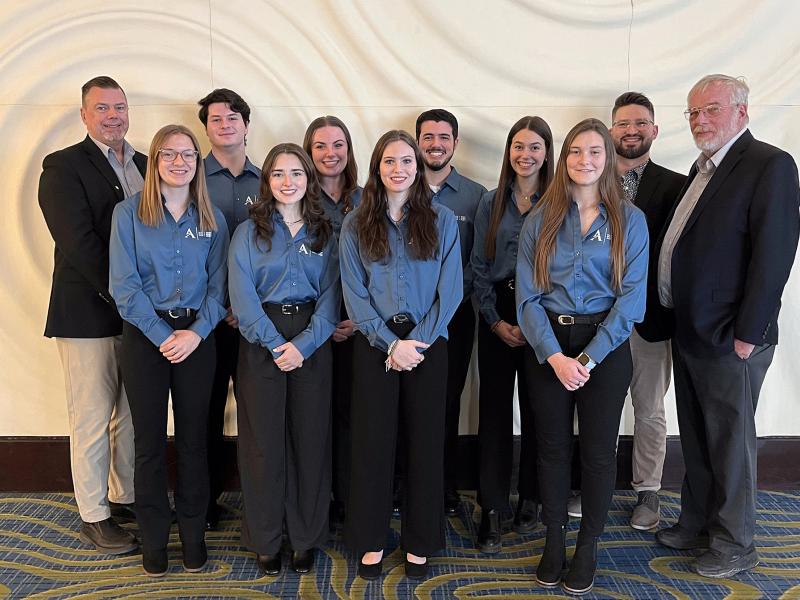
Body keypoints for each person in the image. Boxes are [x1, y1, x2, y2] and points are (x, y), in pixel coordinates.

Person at [655, 74, 800, 578]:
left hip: (731, 336)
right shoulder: (703, 169)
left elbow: (774, 254)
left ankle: (736, 544)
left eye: (711, 110)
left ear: (742, 111)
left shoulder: (769, 165)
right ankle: (697, 524)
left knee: (730, 443)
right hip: (691, 328)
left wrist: (750, 332)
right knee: (697, 436)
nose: (700, 121)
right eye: (693, 113)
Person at [516, 118, 648, 594]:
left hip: (605, 350)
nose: (584, 160)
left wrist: (587, 360)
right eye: (575, 151)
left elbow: (632, 300)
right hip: (549, 348)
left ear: (608, 159)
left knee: (597, 453)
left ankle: (588, 544)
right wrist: (554, 357)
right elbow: (527, 299)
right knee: (550, 450)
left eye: (595, 151)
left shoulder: (630, 221)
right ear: (564, 158)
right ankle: (554, 538)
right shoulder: (541, 219)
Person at [340, 130, 462, 580]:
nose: (399, 169)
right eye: (389, 161)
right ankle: (370, 538)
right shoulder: (356, 223)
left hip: (429, 345)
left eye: (406, 161)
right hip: (375, 346)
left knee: (424, 445)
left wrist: (415, 346)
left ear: (417, 167)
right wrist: (390, 345)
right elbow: (354, 293)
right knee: (372, 446)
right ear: (377, 168)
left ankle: (420, 541)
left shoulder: (443, 220)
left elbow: (450, 293)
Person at [109, 124, 229, 576]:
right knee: (150, 444)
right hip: (145, 337)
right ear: (154, 160)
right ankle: (155, 540)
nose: (179, 162)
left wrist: (195, 333)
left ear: (198, 163)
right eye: (169, 154)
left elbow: (220, 289)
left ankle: (194, 537)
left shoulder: (212, 217)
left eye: (188, 155)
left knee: (196, 443)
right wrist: (163, 336)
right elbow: (124, 287)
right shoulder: (128, 215)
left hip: (198, 338)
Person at [568, 93, 685, 529]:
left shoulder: (678, 185)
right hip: (595, 321)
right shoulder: (590, 179)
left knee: (649, 407)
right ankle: (591, 483)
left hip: (650, 318)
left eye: (641, 123)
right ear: (611, 130)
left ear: (654, 130)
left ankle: (648, 492)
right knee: (595, 405)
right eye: (623, 124)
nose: (631, 131)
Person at [38, 75, 143, 555]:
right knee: (92, 414)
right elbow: (78, 243)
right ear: (84, 114)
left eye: (119, 106)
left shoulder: (146, 164)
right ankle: (94, 515)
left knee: (129, 413)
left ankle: (122, 498)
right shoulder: (62, 167)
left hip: (139, 316)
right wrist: (126, 295)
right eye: (102, 108)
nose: (113, 115)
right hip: (87, 313)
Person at [229, 143, 339, 577]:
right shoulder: (247, 232)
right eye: (278, 174)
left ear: (309, 180)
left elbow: (334, 295)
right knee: (262, 443)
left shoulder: (325, 231)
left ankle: (306, 537)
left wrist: (305, 345)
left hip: (312, 340)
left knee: (310, 441)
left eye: (297, 173)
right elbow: (241, 295)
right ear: (267, 181)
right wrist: (275, 344)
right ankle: (266, 537)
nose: (288, 182)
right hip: (262, 341)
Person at [471, 116, 553, 553]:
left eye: (534, 147)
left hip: (542, 312)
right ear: (508, 152)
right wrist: (494, 320)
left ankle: (532, 498)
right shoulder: (491, 200)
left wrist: (534, 320)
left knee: (540, 410)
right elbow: (479, 268)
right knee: (496, 414)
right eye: (518, 146)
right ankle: (492, 508)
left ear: (547, 152)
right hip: (499, 313)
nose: (525, 155)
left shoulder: (560, 200)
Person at [416, 109, 487, 514]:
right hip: (402, 321)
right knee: (403, 402)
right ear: (417, 142)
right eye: (428, 137)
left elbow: (476, 262)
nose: (436, 144)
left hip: (454, 317)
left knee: (445, 402)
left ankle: (443, 487)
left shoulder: (474, 196)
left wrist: (444, 303)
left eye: (444, 137)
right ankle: (403, 484)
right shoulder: (400, 185)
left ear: (455, 143)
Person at [197, 88, 261, 530]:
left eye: (233, 117)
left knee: (258, 413)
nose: (225, 124)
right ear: (206, 127)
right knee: (206, 409)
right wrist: (220, 306)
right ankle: (205, 502)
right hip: (209, 318)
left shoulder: (270, 180)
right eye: (216, 118)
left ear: (246, 124)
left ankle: (262, 501)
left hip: (260, 321)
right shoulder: (190, 176)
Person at [302, 116, 361, 522]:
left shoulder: (367, 197)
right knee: (314, 414)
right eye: (320, 146)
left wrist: (358, 318)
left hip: (362, 325)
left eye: (337, 145)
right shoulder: (294, 196)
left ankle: (349, 495)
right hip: (311, 325)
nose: (330, 153)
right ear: (309, 152)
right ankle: (317, 497)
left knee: (353, 414)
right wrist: (324, 320)